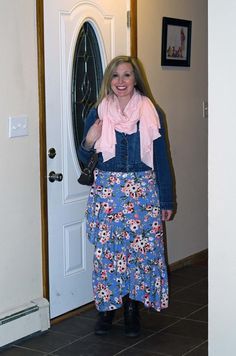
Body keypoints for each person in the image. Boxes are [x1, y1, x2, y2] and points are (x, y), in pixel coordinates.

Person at [78, 55, 175, 338]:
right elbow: (85, 155)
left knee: (138, 255)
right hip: (108, 193)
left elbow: (161, 159)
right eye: (116, 76)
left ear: (136, 79)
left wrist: (166, 200)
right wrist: (89, 139)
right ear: (109, 80)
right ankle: (107, 312)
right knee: (108, 256)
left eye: (127, 75)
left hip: (143, 193)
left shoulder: (150, 111)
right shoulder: (97, 112)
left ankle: (132, 311)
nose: (121, 81)